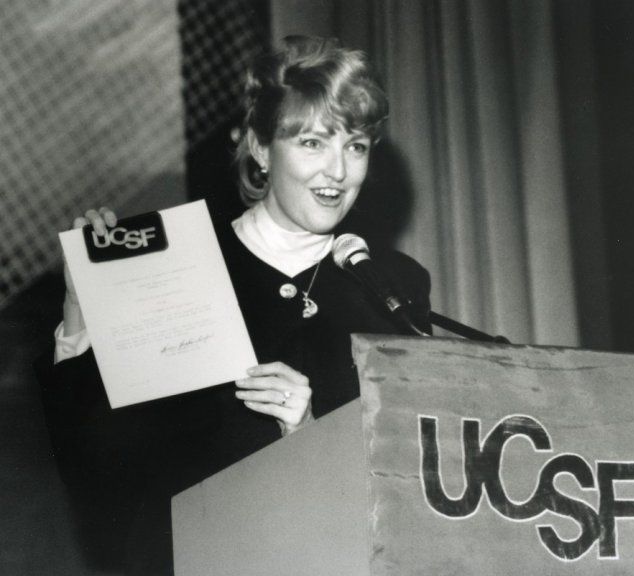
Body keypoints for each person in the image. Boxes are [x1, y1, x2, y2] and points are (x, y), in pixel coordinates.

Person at [37, 36, 431, 574]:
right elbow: (96, 469)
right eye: (314, 143)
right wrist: (82, 313)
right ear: (263, 149)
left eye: (356, 146)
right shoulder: (175, 264)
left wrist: (310, 434)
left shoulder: (394, 287)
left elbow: (409, 488)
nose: (338, 172)